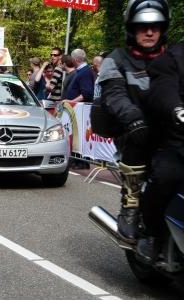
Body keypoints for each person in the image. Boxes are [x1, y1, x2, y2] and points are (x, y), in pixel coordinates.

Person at [96, 0, 170, 242]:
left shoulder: (173, 59)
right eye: (142, 27)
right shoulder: (116, 59)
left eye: (155, 27)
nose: (149, 32)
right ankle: (131, 203)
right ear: (132, 28)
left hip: (172, 129)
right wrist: (133, 117)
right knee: (140, 135)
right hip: (134, 130)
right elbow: (114, 94)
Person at [136, 42, 184, 263]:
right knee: (168, 175)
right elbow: (163, 88)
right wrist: (177, 108)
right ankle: (152, 233)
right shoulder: (173, 58)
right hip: (174, 140)